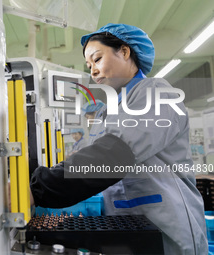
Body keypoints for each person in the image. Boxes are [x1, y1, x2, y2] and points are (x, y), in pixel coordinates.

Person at [28, 23, 207, 254]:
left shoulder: (158, 94)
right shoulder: (111, 111)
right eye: (89, 64)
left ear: (124, 51)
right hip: (128, 229)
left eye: (98, 58)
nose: (92, 70)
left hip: (168, 230)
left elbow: (112, 155)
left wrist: (39, 188)